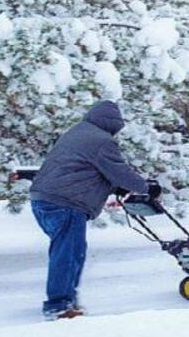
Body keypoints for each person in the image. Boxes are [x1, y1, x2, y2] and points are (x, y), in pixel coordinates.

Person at [28, 100, 159, 319]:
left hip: (43, 200)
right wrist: (147, 187)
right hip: (65, 203)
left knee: (72, 251)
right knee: (68, 253)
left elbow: (84, 170)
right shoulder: (100, 140)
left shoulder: (77, 133)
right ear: (113, 124)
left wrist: (115, 187)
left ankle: (67, 298)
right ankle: (58, 305)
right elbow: (119, 171)